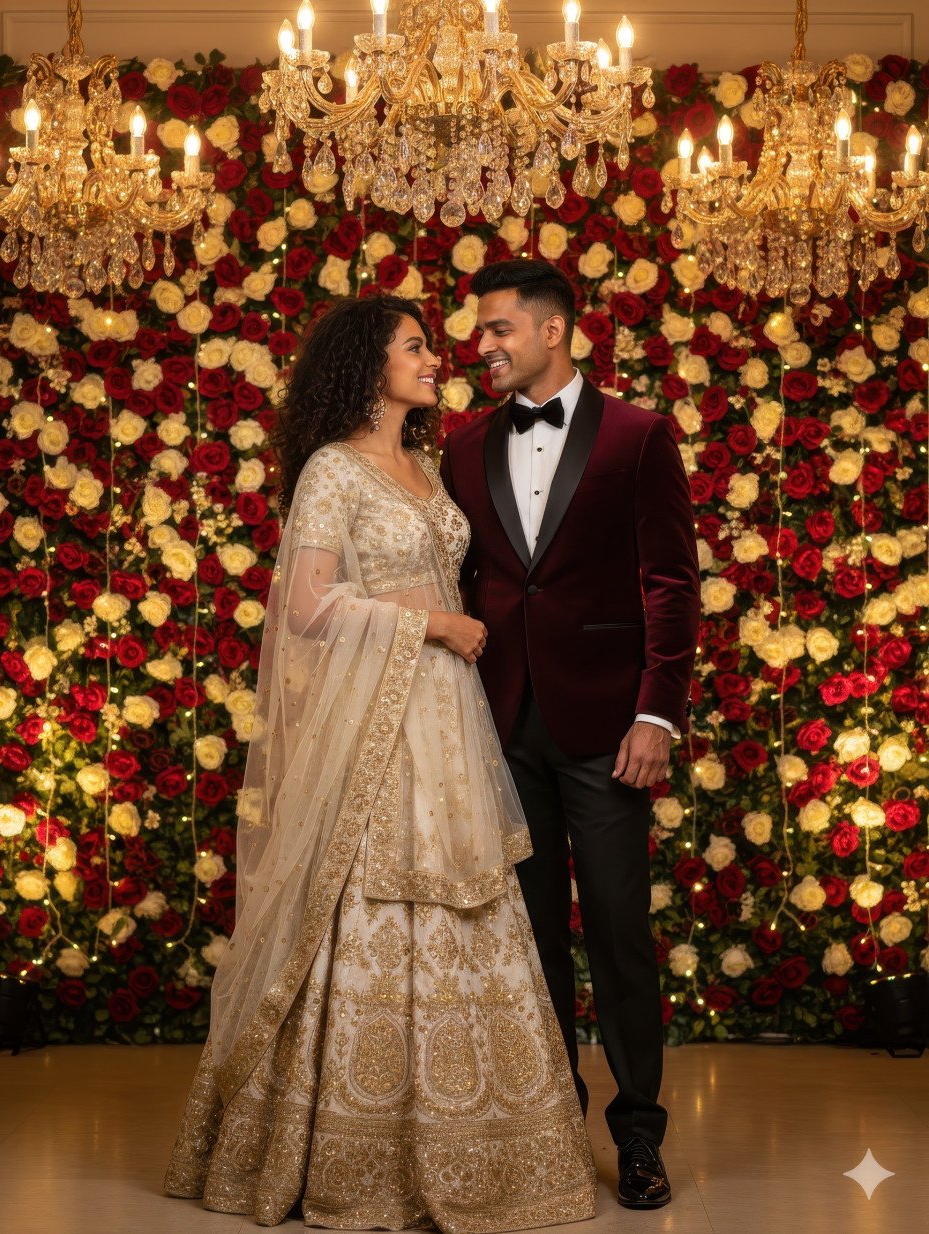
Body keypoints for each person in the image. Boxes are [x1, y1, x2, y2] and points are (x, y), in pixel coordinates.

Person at [164, 294, 597, 1231]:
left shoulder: (427, 466)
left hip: (448, 718)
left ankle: (476, 1140)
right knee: (371, 897)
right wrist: (429, 624)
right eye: (415, 347)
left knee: (467, 895)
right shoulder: (333, 470)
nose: (436, 358)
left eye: (431, 347)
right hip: (377, 719)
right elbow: (309, 607)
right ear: (370, 367)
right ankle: (354, 1151)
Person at [440, 259, 700, 1211]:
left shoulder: (639, 435)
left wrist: (655, 712)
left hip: (610, 729)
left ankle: (639, 1136)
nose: (484, 345)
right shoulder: (463, 449)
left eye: (499, 328)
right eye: (479, 330)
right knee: (531, 941)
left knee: (622, 935)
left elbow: (671, 582)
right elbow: (466, 586)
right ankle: (551, 1128)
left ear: (554, 331)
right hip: (500, 727)